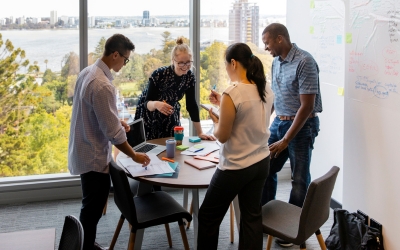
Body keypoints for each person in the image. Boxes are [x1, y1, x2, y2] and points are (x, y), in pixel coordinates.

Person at [68, 34, 150, 250]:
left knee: (90, 206)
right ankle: (84, 246)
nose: (125, 63)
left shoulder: (87, 72)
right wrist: (134, 155)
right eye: (125, 59)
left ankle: (87, 242)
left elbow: (94, 113)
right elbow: (114, 134)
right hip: (94, 156)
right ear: (115, 55)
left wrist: (115, 119)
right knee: (92, 210)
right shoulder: (103, 85)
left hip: (83, 148)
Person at [197, 43, 274, 250]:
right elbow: (253, 118)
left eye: (226, 65)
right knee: (251, 217)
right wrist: (224, 104)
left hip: (236, 167)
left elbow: (222, 136)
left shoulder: (233, 92)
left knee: (208, 216)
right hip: (261, 162)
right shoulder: (265, 88)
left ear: (233, 63)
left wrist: (216, 120)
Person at [260, 23, 322, 247]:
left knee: (298, 179)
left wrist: (286, 140)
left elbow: (306, 107)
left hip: (302, 127)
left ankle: (291, 231)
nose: (265, 47)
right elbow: (276, 96)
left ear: (279, 39)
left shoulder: (304, 61)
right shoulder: (276, 62)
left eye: (267, 42)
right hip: (279, 123)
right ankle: (266, 218)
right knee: (266, 168)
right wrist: (266, 123)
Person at [134, 37, 215, 141]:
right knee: (152, 147)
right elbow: (147, 103)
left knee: (174, 143)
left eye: (188, 62)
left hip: (170, 111)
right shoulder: (159, 74)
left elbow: (191, 105)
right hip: (150, 113)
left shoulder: (189, 77)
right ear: (173, 61)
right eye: (181, 63)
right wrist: (156, 104)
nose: (185, 66)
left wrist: (200, 132)